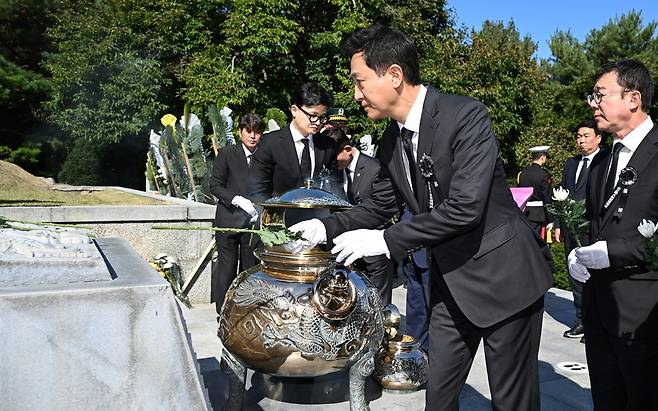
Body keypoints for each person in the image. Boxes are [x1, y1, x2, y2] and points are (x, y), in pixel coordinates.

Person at [288, 24, 553, 410]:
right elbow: (380, 204)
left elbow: (465, 208)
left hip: (505, 282)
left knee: (512, 402)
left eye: (360, 82)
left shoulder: (466, 117)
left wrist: (387, 240)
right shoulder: (392, 139)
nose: (356, 95)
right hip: (450, 288)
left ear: (394, 75)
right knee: (438, 398)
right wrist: (323, 225)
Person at [568, 59, 658, 410]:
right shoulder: (604, 160)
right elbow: (596, 224)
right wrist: (581, 254)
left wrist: (613, 252)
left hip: (645, 317)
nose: (593, 104)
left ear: (633, 99)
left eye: (600, 95)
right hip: (599, 310)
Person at [326, 127, 394, 305]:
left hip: (373, 255)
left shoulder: (375, 169)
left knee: (377, 306)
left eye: (335, 158)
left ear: (347, 150)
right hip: (346, 254)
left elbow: (384, 210)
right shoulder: (336, 170)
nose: (332, 163)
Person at [209, 113, 265, 317]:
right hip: (229, 220)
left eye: (257, 132)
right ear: (240, 132)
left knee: (250, 268)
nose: (252, 136)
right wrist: (236, 200)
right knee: (227, 268)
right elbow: (215, 185)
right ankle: (223, 313)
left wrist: (260, 208)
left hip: (253, 223)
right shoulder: (227, 153)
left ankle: (245, 311)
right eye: (248, 131)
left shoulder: (265, 156)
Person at [249, 82, 338, 202]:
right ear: (294, 110)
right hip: (279, 216)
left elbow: (334, 186)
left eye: (322, 117)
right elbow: (257, 190)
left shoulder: (328, 146)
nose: (317, 122)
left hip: (318, 217)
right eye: (313, 116)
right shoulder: (270, 143)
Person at [560, 119, 603, 341]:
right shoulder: (570, 164)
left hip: (593, 229)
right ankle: (581, 321)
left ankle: (595, 323)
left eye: (586, 136)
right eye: (578, 136)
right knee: (574, 274)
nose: (581, 140)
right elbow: (563, 195)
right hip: (571, 228)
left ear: (598, 138)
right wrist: (558, 224)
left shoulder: (606, 161)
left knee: (594, 277)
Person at [518, 145, 554, 238]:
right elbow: (546, 197)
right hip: (539, 215)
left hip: (525, 213)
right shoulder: (544, 174)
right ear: (542, 157)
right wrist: (550, 219)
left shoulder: (522, 173)